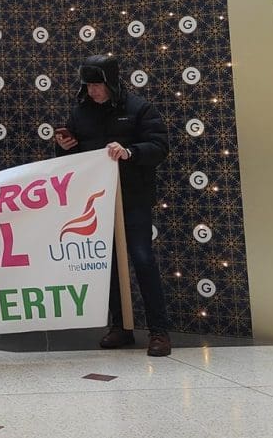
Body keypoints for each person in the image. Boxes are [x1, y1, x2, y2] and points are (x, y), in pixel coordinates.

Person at [54, 55, 172, 357]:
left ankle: (159, 331)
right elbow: (73, 155)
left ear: (111, 82)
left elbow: (159, 147)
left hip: (133, 198)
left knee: (143, 260)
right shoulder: (80, 114)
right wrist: (64, 146)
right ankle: (121, 326)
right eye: (88, 85)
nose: (92, 91)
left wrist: (130, 152)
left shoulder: (139, 108)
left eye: (97, 85)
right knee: (109, 266)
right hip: (98, 201)